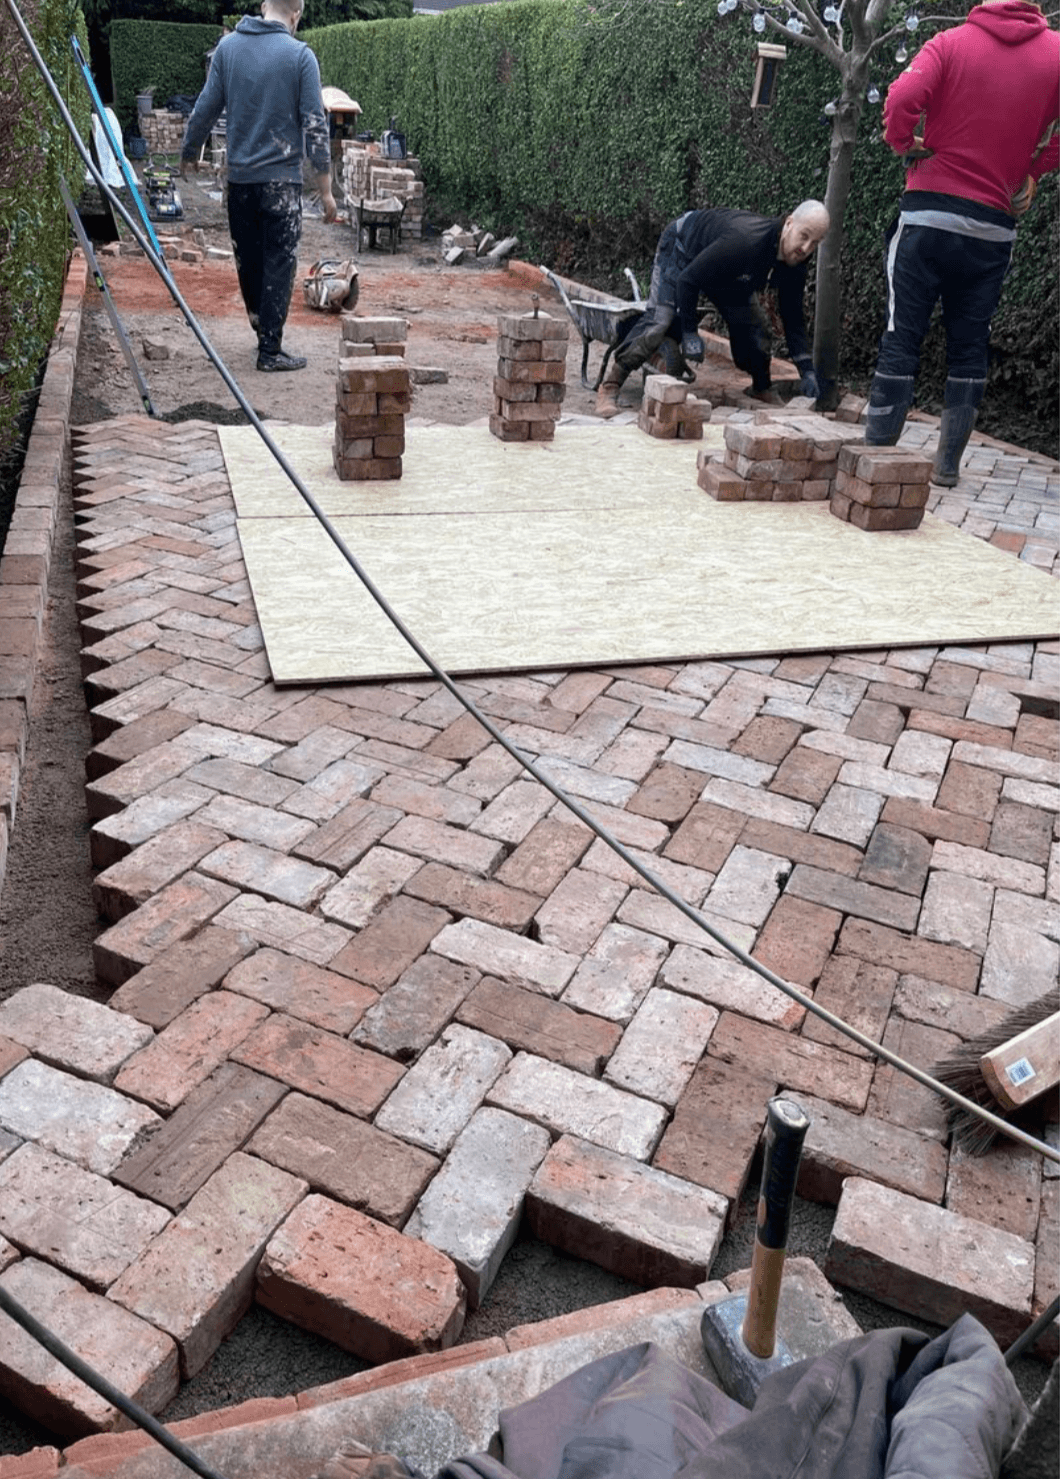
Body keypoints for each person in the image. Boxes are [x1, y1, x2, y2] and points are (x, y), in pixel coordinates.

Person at [866, 0, 1059, 484]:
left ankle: (877, 459)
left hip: (927, 218)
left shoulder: (949, 44)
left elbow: (901, 98)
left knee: (902, 334)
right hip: (992, 228)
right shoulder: (1056, 55)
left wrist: (903, 143)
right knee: (970, 342)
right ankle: (947, 467)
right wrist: (1032, 170)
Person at [180, 0, 339, 372]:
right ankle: (270, 349)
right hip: (281, 185)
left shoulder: (228, 48)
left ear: (263, 5)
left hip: (239, 184)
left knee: (249, 263)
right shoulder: (301, 56)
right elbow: (316, 126)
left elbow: (205, 107)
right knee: (279, 264)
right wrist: (326, 189)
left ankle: (262, 334)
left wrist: (189, 150)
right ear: (296, 15)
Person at [595, 201, 829, 417]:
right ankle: (610, 385)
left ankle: (761, 387)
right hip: (683, 249)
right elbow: (688, 281)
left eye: (815, 243)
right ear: (789, 224)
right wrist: (689, 332)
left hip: (727, 273)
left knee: (756, 328)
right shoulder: (746, 241)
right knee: (660, 319)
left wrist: (806, 370)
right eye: (804, 236)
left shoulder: (796, 263)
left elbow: (793, 317)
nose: (806, 248)